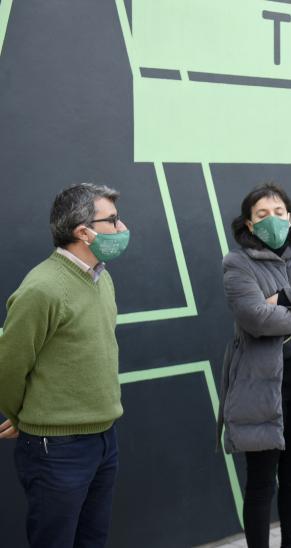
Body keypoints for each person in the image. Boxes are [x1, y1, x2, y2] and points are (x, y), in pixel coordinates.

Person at [0, 183, 129, 548]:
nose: (122, 229)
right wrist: (25, 417)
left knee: (93, 540)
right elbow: (8, 367)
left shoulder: (102, 279)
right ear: (82, 232)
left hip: (104, 438)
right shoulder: (42, 288)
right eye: (113, 220)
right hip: (55, 448)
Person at [217, 183, 291, 548]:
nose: (273, 220)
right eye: (262, 215)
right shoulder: (237, 263)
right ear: (250, 225)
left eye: (279, 212)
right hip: (261, 392)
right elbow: (256, 318)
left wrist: (287, 297)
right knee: (260, 484)